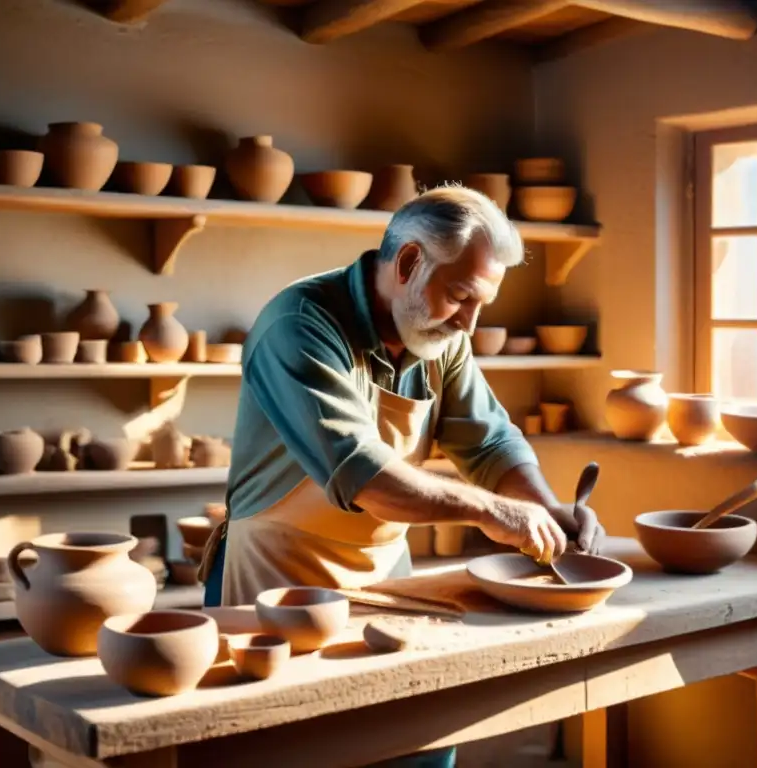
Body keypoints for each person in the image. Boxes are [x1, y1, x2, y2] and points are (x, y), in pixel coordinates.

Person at [200, 185, 604, 768]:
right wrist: (494, 511)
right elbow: (365, 476)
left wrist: (545, 511)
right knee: (289, 751)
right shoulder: (299, 325)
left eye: (481, 305)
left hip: (388, 581)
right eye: (461, 296)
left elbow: (489, 442)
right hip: (276, 582)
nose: (469, 322)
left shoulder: (441, 338)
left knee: (419, 742)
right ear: (411, 262)